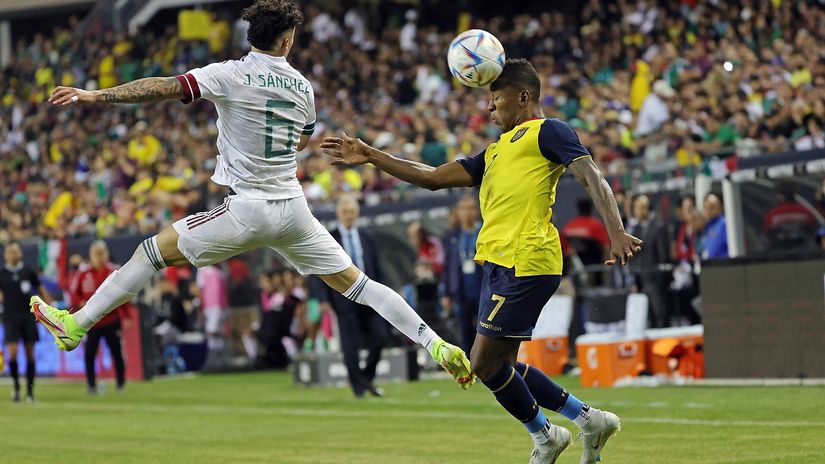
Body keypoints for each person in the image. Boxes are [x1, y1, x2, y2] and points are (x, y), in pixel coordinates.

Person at [32, 0, 472, 391]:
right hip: (294, 210)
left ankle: (77, 324)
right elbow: (301, 141)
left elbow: (164, 87)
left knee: (150, 253)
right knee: (360, 285)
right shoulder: (303, 88)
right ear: (286, 41)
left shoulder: (229, 74)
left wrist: (96, 94)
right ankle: (437, 344)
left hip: (247, 208)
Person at [322, 58, 642, 464]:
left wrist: (616, 230)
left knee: (482, 364)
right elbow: (432, 176)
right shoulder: (493, 152)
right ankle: (589, 420)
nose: (489, 108)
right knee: (502, 366)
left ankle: (547, 436)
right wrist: (371, 154)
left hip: (527, 261)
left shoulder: (549, 132)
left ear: (523, 97)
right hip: (497, 264)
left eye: (496, 98)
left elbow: (591, 175)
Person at [318, 196, 387, 397]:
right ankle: (358, 387)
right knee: (351, 344)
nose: (348, 216)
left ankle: (365, 378)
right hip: (343, 297)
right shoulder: (328, 238)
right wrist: (322, 299)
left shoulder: (367, 236)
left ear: (356, 214)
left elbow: (376, 267)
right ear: (339, 214)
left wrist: (383, 292)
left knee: (379, 336)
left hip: (369, 295)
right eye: (345, 212)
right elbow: (318, 269)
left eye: (351, 212)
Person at [69, 241, 128, 393]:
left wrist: (126, 315)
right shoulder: (83, 273)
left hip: (111, 319)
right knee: (90, 353)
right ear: (90, 255)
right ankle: (91, 385)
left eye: (102, 253)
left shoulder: (114, 272)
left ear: (106, 254)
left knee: (116, 352)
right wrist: (80, 303)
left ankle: (121, 383)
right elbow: (73, 293)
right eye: (96, 253)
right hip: (91, 322)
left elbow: (125, 293)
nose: (99, 257)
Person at [0, 242, 50, 402]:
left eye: (15, 252)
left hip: (28, 316)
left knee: (30, 354)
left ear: (20, 253)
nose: (13, 255)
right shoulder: (2, 273)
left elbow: (40, 288)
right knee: (12, 353)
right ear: (5, 255)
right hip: (10, 317)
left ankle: (30, 392)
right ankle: (15, 387)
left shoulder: (28, 271)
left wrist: (49, 307)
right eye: (10, 252)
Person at [442, 194, 483, 354]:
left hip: (482, 289)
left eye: (471, 208)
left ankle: (487, 367)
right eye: (464, 209)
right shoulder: (452, 236)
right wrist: (446, 293)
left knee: (484, 332)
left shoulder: (483, 231)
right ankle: (469, 368)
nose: (467, 213)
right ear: (458, 212)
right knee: (465, 332)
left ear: (477, 211)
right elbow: (447, 266)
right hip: (462, 291)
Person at [626, 195, 671, 328]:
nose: (637, 212)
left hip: (656, 279)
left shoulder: (658, 226)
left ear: (647, 209)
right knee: (647, 315)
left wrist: (660, 277)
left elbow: (664, 255)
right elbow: (633, 254)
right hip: (641, 279)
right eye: (636, 208)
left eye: (640, 208)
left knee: (660, 313)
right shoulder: (636, 229)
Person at [193, 264, 229, 370]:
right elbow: (200, 289)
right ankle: (212, 362)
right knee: (212, 332)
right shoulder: (203, 269)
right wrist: (200, 308)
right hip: (210, 306)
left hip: (222, 305)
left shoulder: (223, 269)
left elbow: (224, 289)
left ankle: (222, 361)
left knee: (221, 334)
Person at [702, 193, 728, 260]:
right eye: (706, 207)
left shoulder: (724, 224)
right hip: (710, 266)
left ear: (720, 207)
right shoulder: (707, 226)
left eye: (712, 207)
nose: (709, 211)